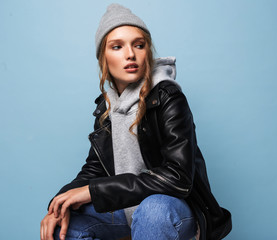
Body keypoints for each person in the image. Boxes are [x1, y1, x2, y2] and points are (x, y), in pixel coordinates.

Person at [40, 4, 231, 240]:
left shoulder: (167, 97)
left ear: (147, 52)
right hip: (127, 209)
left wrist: (94, 192)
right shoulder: (107, 106)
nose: (130, 54)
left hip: (173, 210)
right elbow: (94, 169)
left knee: (153, 210)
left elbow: (178, 177)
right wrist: (58, 205)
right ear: (104, 58)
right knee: (65, 225)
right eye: (117, 47)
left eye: (138, 45)